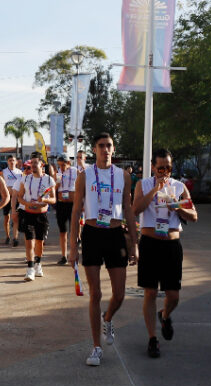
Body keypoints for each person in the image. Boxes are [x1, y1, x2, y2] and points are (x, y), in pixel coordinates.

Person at [68, 133, 138, 366]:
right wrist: (72, 246)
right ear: (94, 149)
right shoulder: (84, 175)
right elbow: (76, 210)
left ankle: (108, 318)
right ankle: (96, 346)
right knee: (95, 294)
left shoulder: (123, 176)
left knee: (119, 294)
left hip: (116, 234)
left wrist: (134, 244)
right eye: (101, 146)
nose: (105, 150)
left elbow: (128, 208)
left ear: (113, 149)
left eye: (109, 146)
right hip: (92, 234)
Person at [131, 149, 197, 358]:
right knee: (150, 292)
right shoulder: (143, 184)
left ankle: (165, 315)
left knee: (173, 295)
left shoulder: (179, 187)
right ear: (153, 167)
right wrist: (155, 190)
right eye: (161, 168)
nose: (165, 172)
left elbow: (193, 215)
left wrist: (176, 206)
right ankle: (152, 338)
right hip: (150, 242)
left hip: (171, 245)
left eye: (168, 168)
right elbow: (135, 209)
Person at [16, 154, 56, 281]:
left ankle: (38, 263)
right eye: (31, 163)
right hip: (28, 215)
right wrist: (28, 204)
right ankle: (30, 269)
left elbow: (54, 199)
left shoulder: (49, 180)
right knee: (29, 242)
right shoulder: (25, 179)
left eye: (35, 163)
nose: (32, 165)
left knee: (39, 242)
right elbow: (20, 197)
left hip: (42, 215)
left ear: (42, 165)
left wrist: (44, 199)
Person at [53, 155, 77, 265]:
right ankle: (63, 256)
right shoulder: (58, 173)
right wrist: (57, 182)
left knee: (73, 231)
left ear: (68, 163)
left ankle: (74, 254)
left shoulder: (76, 171)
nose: (61, 167)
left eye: (63, 165)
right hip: (61, 205)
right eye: (59, 165)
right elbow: (54, 188)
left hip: (73, 205)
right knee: (63, 231)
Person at [0, 155, 23, 247]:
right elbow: (1, 185)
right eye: (10, 160)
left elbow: (22, 185)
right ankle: (7, 236)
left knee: (16, 218)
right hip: (7, 197)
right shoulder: (4, 172)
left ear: (16, 162)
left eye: (13, 160)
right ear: (7, 162)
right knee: (7, 218)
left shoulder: (20, 172)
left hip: (16, 198)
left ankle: (15, 238)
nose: (12, 162)